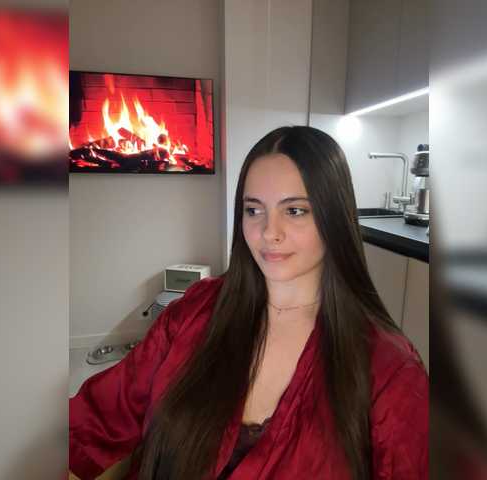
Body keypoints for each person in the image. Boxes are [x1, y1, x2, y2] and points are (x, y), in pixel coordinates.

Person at [69, 126, 428, 480]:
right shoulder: (195, 311)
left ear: (334, 218)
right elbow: (93, 421)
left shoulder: (389, 370)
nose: (269, 232)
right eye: (254, 210)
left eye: (295, 210)